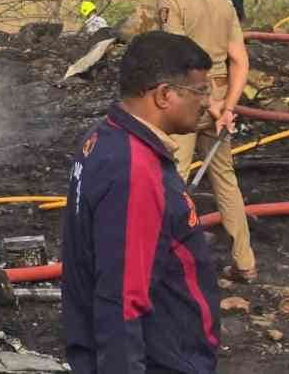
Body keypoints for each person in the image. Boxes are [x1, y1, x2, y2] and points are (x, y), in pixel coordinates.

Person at [61, 30, 220, 374]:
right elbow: (122, 300)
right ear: (164, 95)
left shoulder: (103, 138)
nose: (208, 101)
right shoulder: (136, 170)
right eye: (200, 91)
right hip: (159, 360)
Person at [154, 0, 256, 282]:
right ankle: (245, 262)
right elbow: (240, 60)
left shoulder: (171, 0)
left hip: (187, 98)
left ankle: (169, 263)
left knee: (175, 177)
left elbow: (180, 59)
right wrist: (227, 106)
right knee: (225, 179)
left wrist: (208, 104)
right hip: (220, 94)